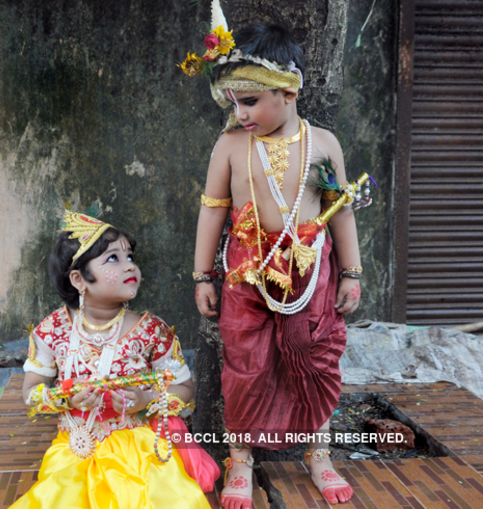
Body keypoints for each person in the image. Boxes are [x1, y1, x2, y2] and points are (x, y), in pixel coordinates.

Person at [181, 2, 362, 507]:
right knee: (246, 363)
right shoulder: (231, 145)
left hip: (309, 274)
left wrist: (350, 271)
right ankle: (240, 460)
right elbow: (212, 212)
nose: (241, 114)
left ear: (289, 92)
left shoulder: (323, 144)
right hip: (247, 274)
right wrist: (202, 276)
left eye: (251, 101)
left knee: (314, 361)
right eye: (235, 103)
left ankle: (319, 454)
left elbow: (341, 212)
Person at [9, 210, 218, 509]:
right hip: (75, 452)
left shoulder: (152, 332)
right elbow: (31, 394)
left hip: (140, 453)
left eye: (130, 256)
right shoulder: (51, 331)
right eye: (112, 259)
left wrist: (146, 399)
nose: (129, 266)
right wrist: (69, 399)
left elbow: (186, 390)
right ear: (79, 279)